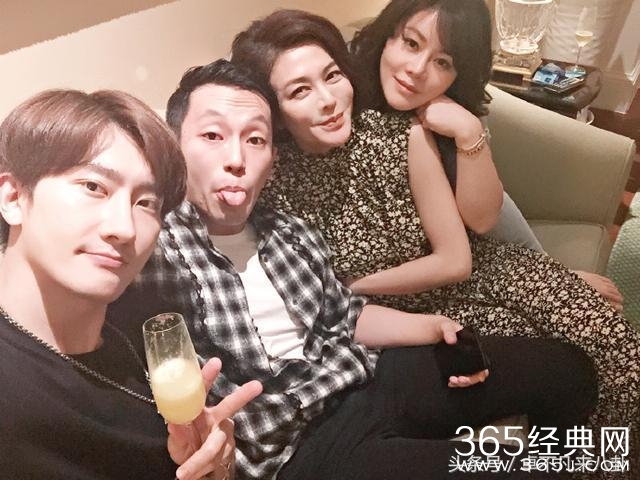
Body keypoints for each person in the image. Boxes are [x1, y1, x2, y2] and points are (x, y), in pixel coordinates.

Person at [110, 59, 598, 480]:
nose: (236, 159)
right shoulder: (153, 251)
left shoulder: (288, 232)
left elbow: (346, 315)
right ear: (176, 148)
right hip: (301, 451)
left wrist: (433, 327)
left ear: (272, 159)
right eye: (212, 136)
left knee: (568, 370)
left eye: (255, 139)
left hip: (366, 379)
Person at [229, 6, 640, 474]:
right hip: (411, 317)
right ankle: (585, 464)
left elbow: (468, 245)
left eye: (332, 76)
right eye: (301, 91)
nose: (327, 100)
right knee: (564, 362)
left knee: (619, 352)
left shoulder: (402, 133)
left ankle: (612, 465)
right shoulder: (269, 181)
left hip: (483, 272)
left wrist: (348, 289)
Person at [0, 89, 262, 480]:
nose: (124, 228)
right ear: (13, 197)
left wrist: (212, 466)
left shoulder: (144, 326)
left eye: (146, 203)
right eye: (94, 187)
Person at [350, 0, 622, 309]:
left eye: (443, 62)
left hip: (465, 250)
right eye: (412, 43)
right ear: (387, 35)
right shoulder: (341, 90)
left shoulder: (454, 106)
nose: (417, 69)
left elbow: (483, 220)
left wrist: (468, 131)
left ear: (458, 75)